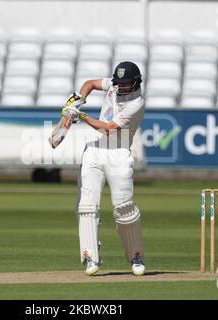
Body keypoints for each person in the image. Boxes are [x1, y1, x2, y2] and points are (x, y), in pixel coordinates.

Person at [62, 61, 146, 276]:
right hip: (95, 149)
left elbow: (109, 128)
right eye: (118, 83)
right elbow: (89, 83)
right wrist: (79, 99)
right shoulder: (114, 84)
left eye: (125, 84)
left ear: (135, 83)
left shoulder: (136, 103)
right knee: (87, 205)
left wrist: (79, 116)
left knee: (124, 208)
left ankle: (135, 255)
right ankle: (89, 256)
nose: (119, 88)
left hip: (119, 152)